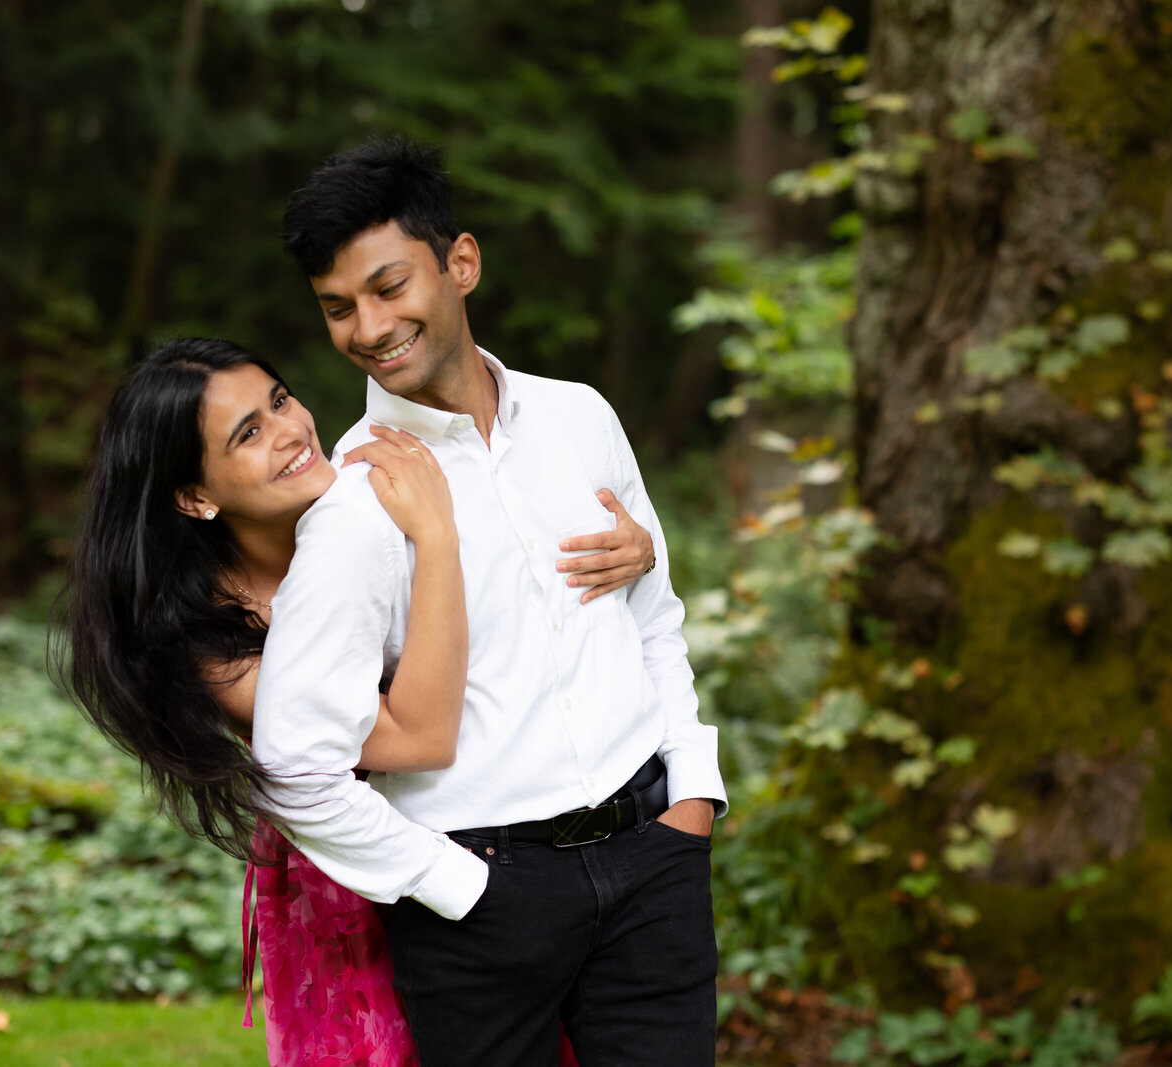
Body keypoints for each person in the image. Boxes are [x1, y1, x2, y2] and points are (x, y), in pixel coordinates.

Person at [252, 137, 727, 1067]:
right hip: (483, 899)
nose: (368, 326)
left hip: (652, 860)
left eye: (390, 287)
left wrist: (694, 793)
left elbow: (652, 614)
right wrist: (451, 884)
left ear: (460, 263)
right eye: (338, 308)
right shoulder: (356, 503)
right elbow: (293, 764)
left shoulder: (581, 415)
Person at [55, 337, 654, 1065]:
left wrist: (636, 554)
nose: (288, 430)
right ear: (196, 496)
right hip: (365, 876)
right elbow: (421, 737)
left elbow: (524, 581)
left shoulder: (362, 507)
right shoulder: (218, 644)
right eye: (248, 433)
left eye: (278, 400)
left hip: (505, 832)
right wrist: (435, 538)